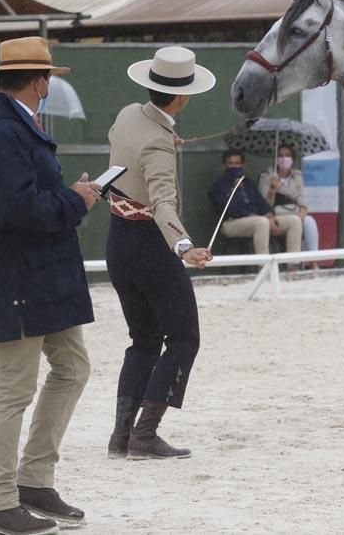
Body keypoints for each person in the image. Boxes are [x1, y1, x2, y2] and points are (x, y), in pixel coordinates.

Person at [0, 37, 101, 535]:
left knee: (73, 368)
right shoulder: (2, 135)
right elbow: (19, 209)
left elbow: (29, 199)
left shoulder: (13, 128)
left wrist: (70, 195)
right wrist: (75, 202)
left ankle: (34, 479)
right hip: (17, 278)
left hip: (41, 276)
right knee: (13, 388)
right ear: (40, 81)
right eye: (49, 79)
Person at [106, 46, 215, 461]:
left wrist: (164, 140)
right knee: (184, 338)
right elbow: (163, 203)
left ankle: (121, 435)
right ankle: (146, 434)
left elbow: (123, 146)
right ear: (183, 97)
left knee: (143, 340)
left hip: (118, 241)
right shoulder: (158, 144)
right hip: (151, 246)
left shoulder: (129, 115)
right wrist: (184, 246)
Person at [209, 150, 302, 256]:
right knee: (261, 222)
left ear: (243, 165)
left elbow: (261, 203)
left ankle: (293, 266)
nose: (234, 166)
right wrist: (252, 214)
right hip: (231, 223)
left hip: (259, 219)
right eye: (230, 163)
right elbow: (229, 208)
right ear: (224, 166)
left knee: (294, 220)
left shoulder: (248, 183)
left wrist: (269, 215)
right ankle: (264, 266)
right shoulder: (218, 185)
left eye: (237, 163)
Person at [258, 143, 320, 257]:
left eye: (287, 155)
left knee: (309, 221)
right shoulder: (266, 176)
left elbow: (302, 199)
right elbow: (265, 205)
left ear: (292, 159)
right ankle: (293, 264)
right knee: (294, 222)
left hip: (295, 212)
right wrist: (272, 188)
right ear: (276, 159)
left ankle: (314, 260)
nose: (284, 158)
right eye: (281, 156)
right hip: (277, 215)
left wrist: (301, 213)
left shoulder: (297, 175)